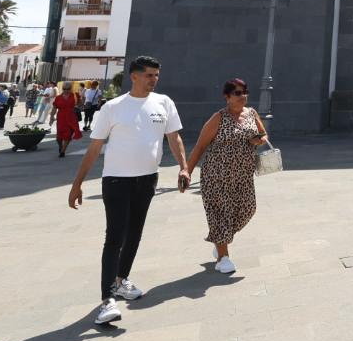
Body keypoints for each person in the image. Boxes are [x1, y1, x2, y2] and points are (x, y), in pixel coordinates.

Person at [67, 55, 187, 325]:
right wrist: (77, 184)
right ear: (134, 76)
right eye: (148, 75)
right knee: (115, 237)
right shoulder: (113, 107)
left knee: (135, 234)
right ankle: (107, 300)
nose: (154, 80)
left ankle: (122, 280)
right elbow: (95, 147)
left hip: (147, 179)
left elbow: (173, 136)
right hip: (117, 180)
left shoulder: (164, 103)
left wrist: (183, 166)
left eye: (156, 75)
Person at [183, 77, 269, 275]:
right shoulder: (218, 118)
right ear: (227, 96)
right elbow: (200, 147)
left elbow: (263, 134)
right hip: (216, 176)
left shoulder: (251, 113)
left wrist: (260, 140)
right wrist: (187, 171)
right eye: (238, 93)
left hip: (243, 176)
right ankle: (223, 257)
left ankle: (220, 239)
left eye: (245, 92)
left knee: (248, 208)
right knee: (221, 215)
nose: (243, 96)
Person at [53, 81, 83, 158]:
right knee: (58, 138)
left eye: (68, 88)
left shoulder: (75, 96)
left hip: (71, 117)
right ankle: (61, 146)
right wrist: (51, 117)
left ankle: (63, 151)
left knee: (68, 135)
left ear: (71, 88)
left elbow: (80, 104)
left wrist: (80, 99)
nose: (66, 90)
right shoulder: (58, 97)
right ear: (62, 89)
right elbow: (54, 107)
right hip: (61, 118)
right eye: (64, 88)